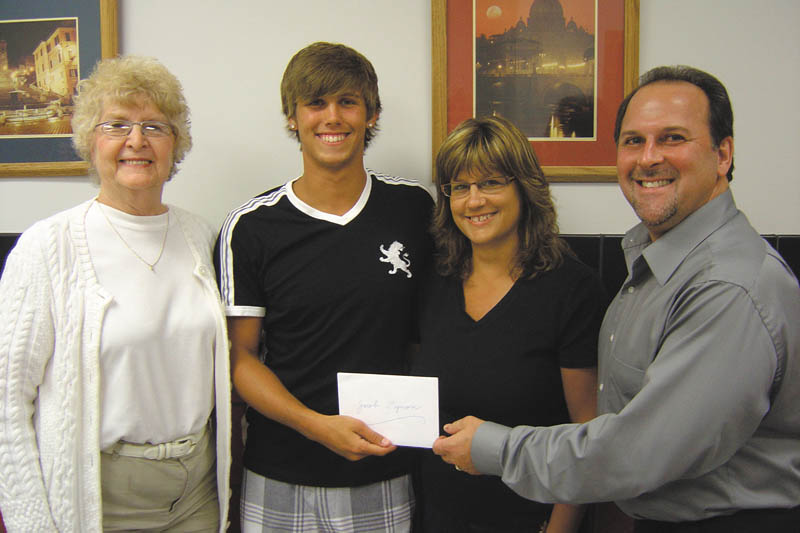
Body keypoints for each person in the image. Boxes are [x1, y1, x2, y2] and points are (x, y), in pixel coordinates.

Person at [431, 65, 800, 532]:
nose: (648, 158)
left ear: (723, 153)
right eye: (632, 141)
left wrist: (493, 448)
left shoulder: (728, 286)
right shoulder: (652, 265)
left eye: (672, 138)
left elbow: (637, 450)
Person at [0, 56, 231, 532]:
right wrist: (31, 523)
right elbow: (6, 403)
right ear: (90, 140)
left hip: (198, 492)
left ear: (176, 144)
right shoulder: (48, 247)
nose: (136, 141)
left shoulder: (202, 237)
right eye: (116, 125)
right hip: (103, 498)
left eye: (154, 126)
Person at [215, 42, 433, 532]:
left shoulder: (416, 209)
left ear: (372, 114)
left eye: (347, 102)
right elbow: (239, 358)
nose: (332, 117)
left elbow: (432, 332)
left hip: (382, 468)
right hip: (279, 470)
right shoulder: (250, 227)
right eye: (315, 103)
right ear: (293, 117)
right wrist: (315, 425)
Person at [410, 115, 605, 532]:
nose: (474, 201)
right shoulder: (433, 283)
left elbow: (585, 437)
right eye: (459, 188)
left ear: (525, 188)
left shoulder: (572, 290)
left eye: (491, 183)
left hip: (530, 519)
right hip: (438, 518)